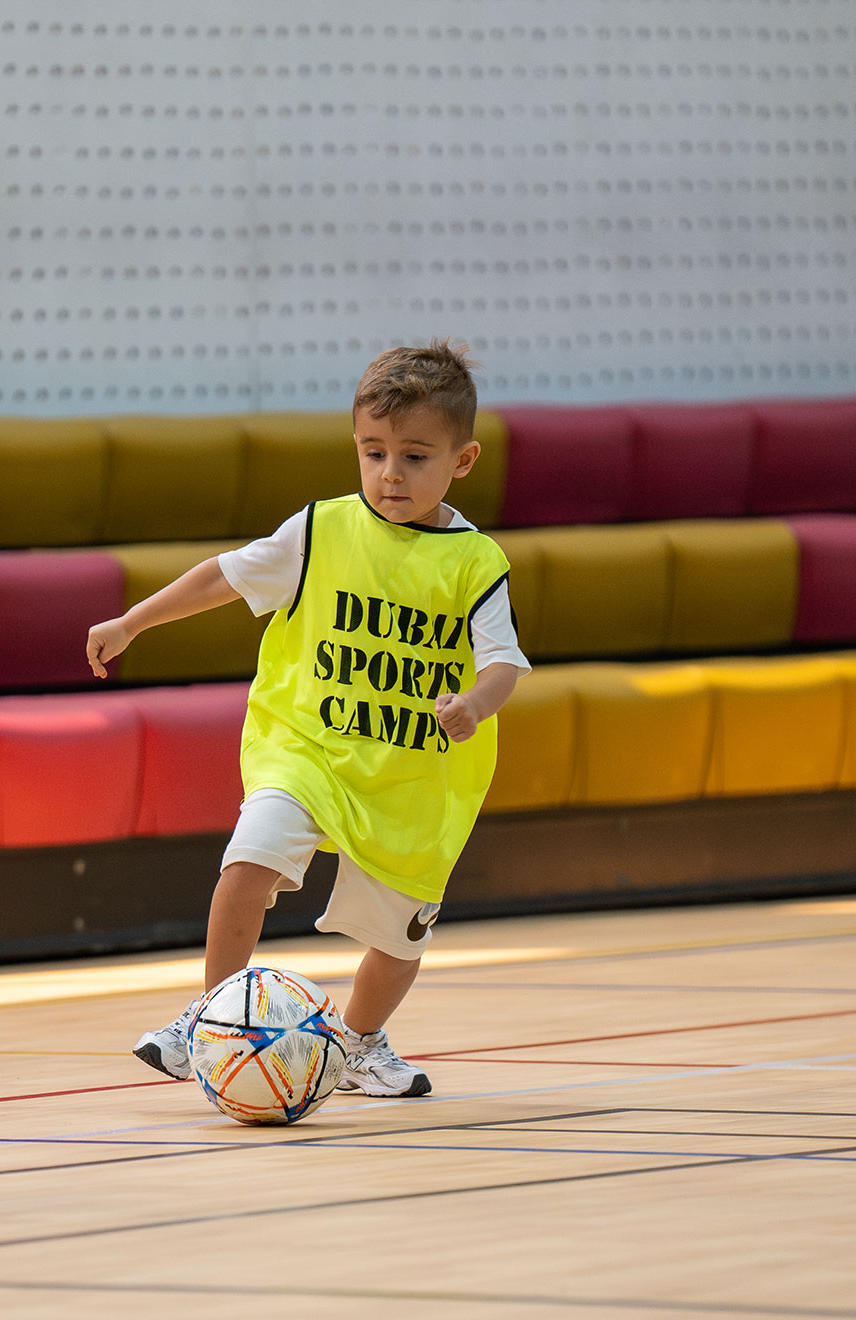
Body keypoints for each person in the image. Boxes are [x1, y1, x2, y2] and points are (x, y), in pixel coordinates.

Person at [87, 341, 528, 1096]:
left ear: (463, 459)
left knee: (398, 943)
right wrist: (134, 620)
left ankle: (358, 1042)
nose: (391, 473)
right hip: (308, 751)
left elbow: (505, 663)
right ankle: (211, 1020)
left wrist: (473, 705)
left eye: (415, 456)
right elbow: (222, 577)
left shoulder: (475, 563)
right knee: (243, 870)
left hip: (411, 777)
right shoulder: (320, 531)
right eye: (374, 452)